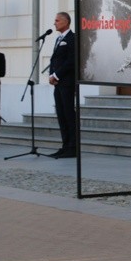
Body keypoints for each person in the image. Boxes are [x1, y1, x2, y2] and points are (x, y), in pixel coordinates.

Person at [48, 12, 77, 158]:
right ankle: (65, 145)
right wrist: (51, 75)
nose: (55, 23)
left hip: (67, 83)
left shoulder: (72, 38)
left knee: (68, 113)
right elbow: (55, 60)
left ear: (66, 22)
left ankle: (73, 146)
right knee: (60, 114)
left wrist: (56, 75)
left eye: (57, 20)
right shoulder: (59, 39)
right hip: (57, 84)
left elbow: (71, 61)